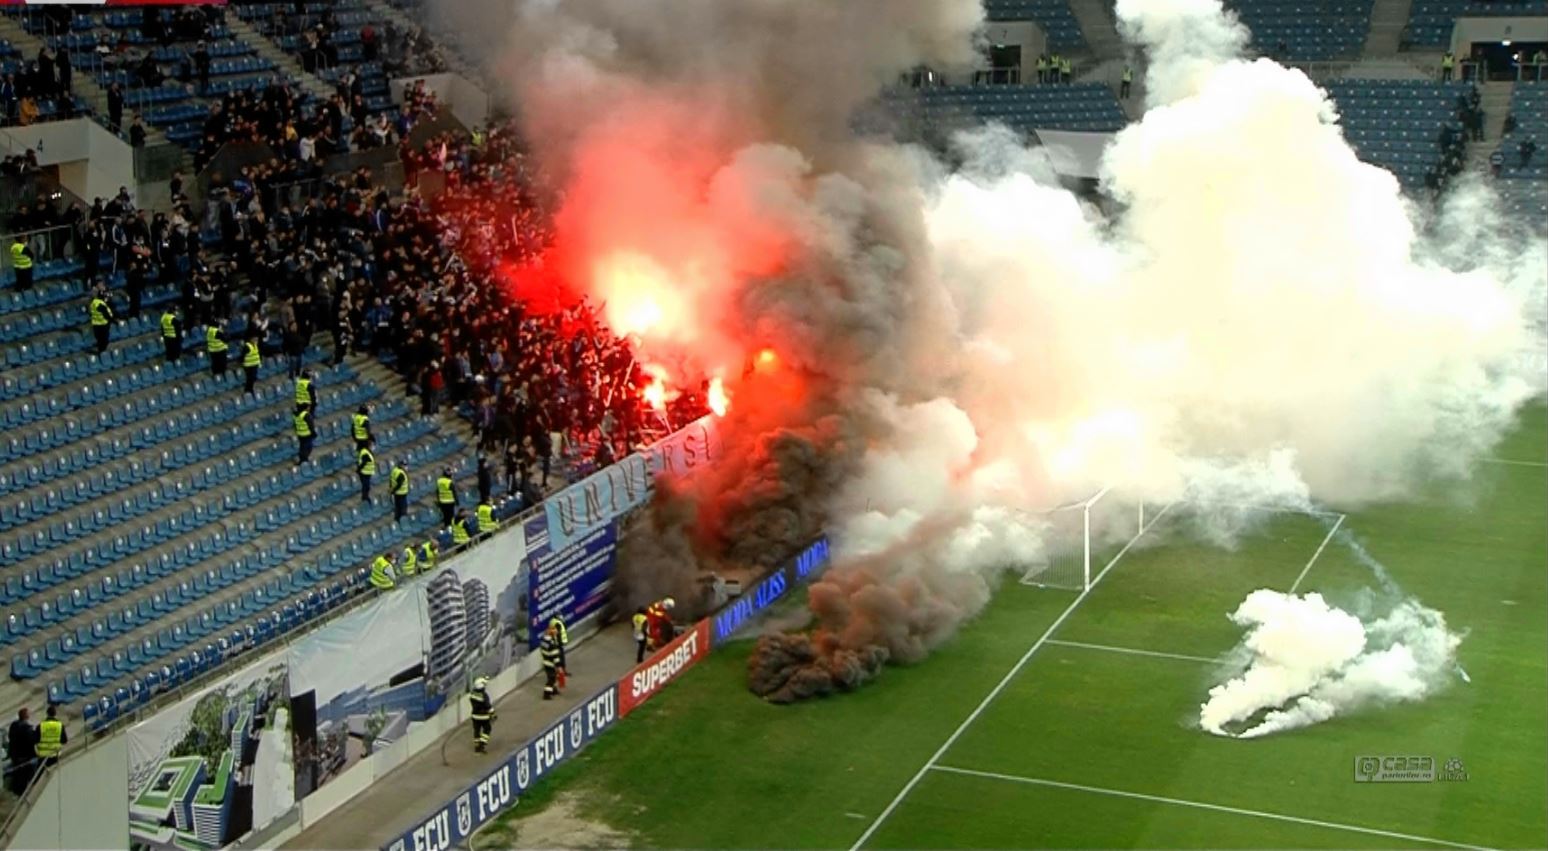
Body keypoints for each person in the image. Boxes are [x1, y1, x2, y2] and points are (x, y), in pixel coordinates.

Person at [7, 707, 35, 795]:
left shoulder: (13, 725)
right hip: (24, 756)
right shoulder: (27, 729)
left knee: (16, 773)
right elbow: (30, 742)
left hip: (14, 754)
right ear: (26, 716)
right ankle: (21, 792)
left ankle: (15, 789)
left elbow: (10, 737)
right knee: (24, 775)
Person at [34, 705, 64, 771]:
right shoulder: (60, 725)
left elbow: (35, 741)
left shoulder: (40, 726)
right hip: (55, 754)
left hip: (43, 756)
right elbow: (64, 740)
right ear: (55, 714)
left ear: (47, 714)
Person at [468, 677, 494, 752]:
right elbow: (488, 706)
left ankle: (477, 746)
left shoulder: (472, 694)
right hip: (484, 717)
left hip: (474, 716)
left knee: (476, 731)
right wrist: (493, 715)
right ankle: (482, 744)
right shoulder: (484, 695)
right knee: (487, 729)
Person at [539, 623, 564, 700]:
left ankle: (553, 690)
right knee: (551, 678)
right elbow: (555, 656)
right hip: (550, 663)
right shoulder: (552, 643)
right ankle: (546, 694)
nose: (556, 631)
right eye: (554, 630)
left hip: (545, 661)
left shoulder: (543, 640)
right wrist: (559, 666)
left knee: (553, 676)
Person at [88, 285, 114, 355]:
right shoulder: (100, 304)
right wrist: (112, 319)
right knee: (103, 340)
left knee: (100, 340)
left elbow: (90, 312)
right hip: (103, 324)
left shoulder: (93, 302)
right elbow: (107, 314)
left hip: (95, 324)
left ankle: (101, 351)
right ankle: (102, 352)